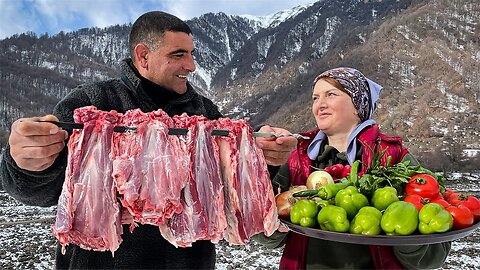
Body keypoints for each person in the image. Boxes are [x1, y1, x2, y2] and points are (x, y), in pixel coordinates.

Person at [0, 11, 297, 269]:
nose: (191, 66)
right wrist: (26, 164)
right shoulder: (94, 103)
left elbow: (229, 187)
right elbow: (38, 192)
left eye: (192, 54)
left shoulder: (204, 113)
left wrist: (263, 158)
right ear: (143, 56)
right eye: (178, 55)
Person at [254, 67, 451, 269]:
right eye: (315, 98)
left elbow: (433, 256)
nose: (319, 105)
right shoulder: (296, 157)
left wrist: (409, 241)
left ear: (357, 104)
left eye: (331, 94)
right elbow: (264, 235)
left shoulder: (394, 157)